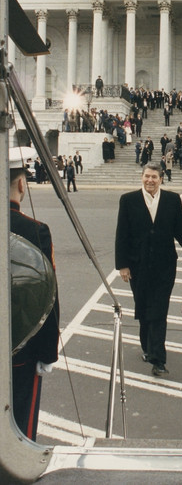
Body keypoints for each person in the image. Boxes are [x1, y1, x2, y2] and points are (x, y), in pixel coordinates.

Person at [115, 164, 182, 376]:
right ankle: (147, 347)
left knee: (159, 310)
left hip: (164, 265)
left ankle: (158, 359)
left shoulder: (172, 199)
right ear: (142, 177)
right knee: (143, 308)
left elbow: (180, 228)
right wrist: (122, 265)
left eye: (154, 177)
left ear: (161, 179)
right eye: (147, 176)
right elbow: (122, 233)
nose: (150, 180)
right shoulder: (128, 200)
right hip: (137, 265)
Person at [9, 147, 60, 441]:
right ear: (20, 184)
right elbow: (47, 297)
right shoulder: (35, 230)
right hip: (20, 348)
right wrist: (47, 352)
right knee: (19, 427)